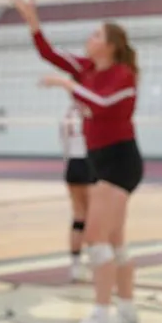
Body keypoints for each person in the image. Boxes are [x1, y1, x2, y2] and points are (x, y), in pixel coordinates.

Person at [15, 0, 142, 323]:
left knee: (94, 238)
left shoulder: (122, 75)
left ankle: (102, 321)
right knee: (115, 245)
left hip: (120, 162)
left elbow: (101, 104)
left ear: (112, 46)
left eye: (96, 35)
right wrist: (33, 23)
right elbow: (50, 55)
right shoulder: (87, 68)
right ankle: (128, 315)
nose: (90, 39)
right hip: (102, 160)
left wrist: (69, 85)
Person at [61, 103, 95, 281]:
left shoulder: (68, 113)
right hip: (88, 163)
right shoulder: (91, 109)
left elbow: (64, 143)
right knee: (92, 216)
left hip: (72, 166)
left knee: (78, 216)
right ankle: (94, 261)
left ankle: (75, 266)